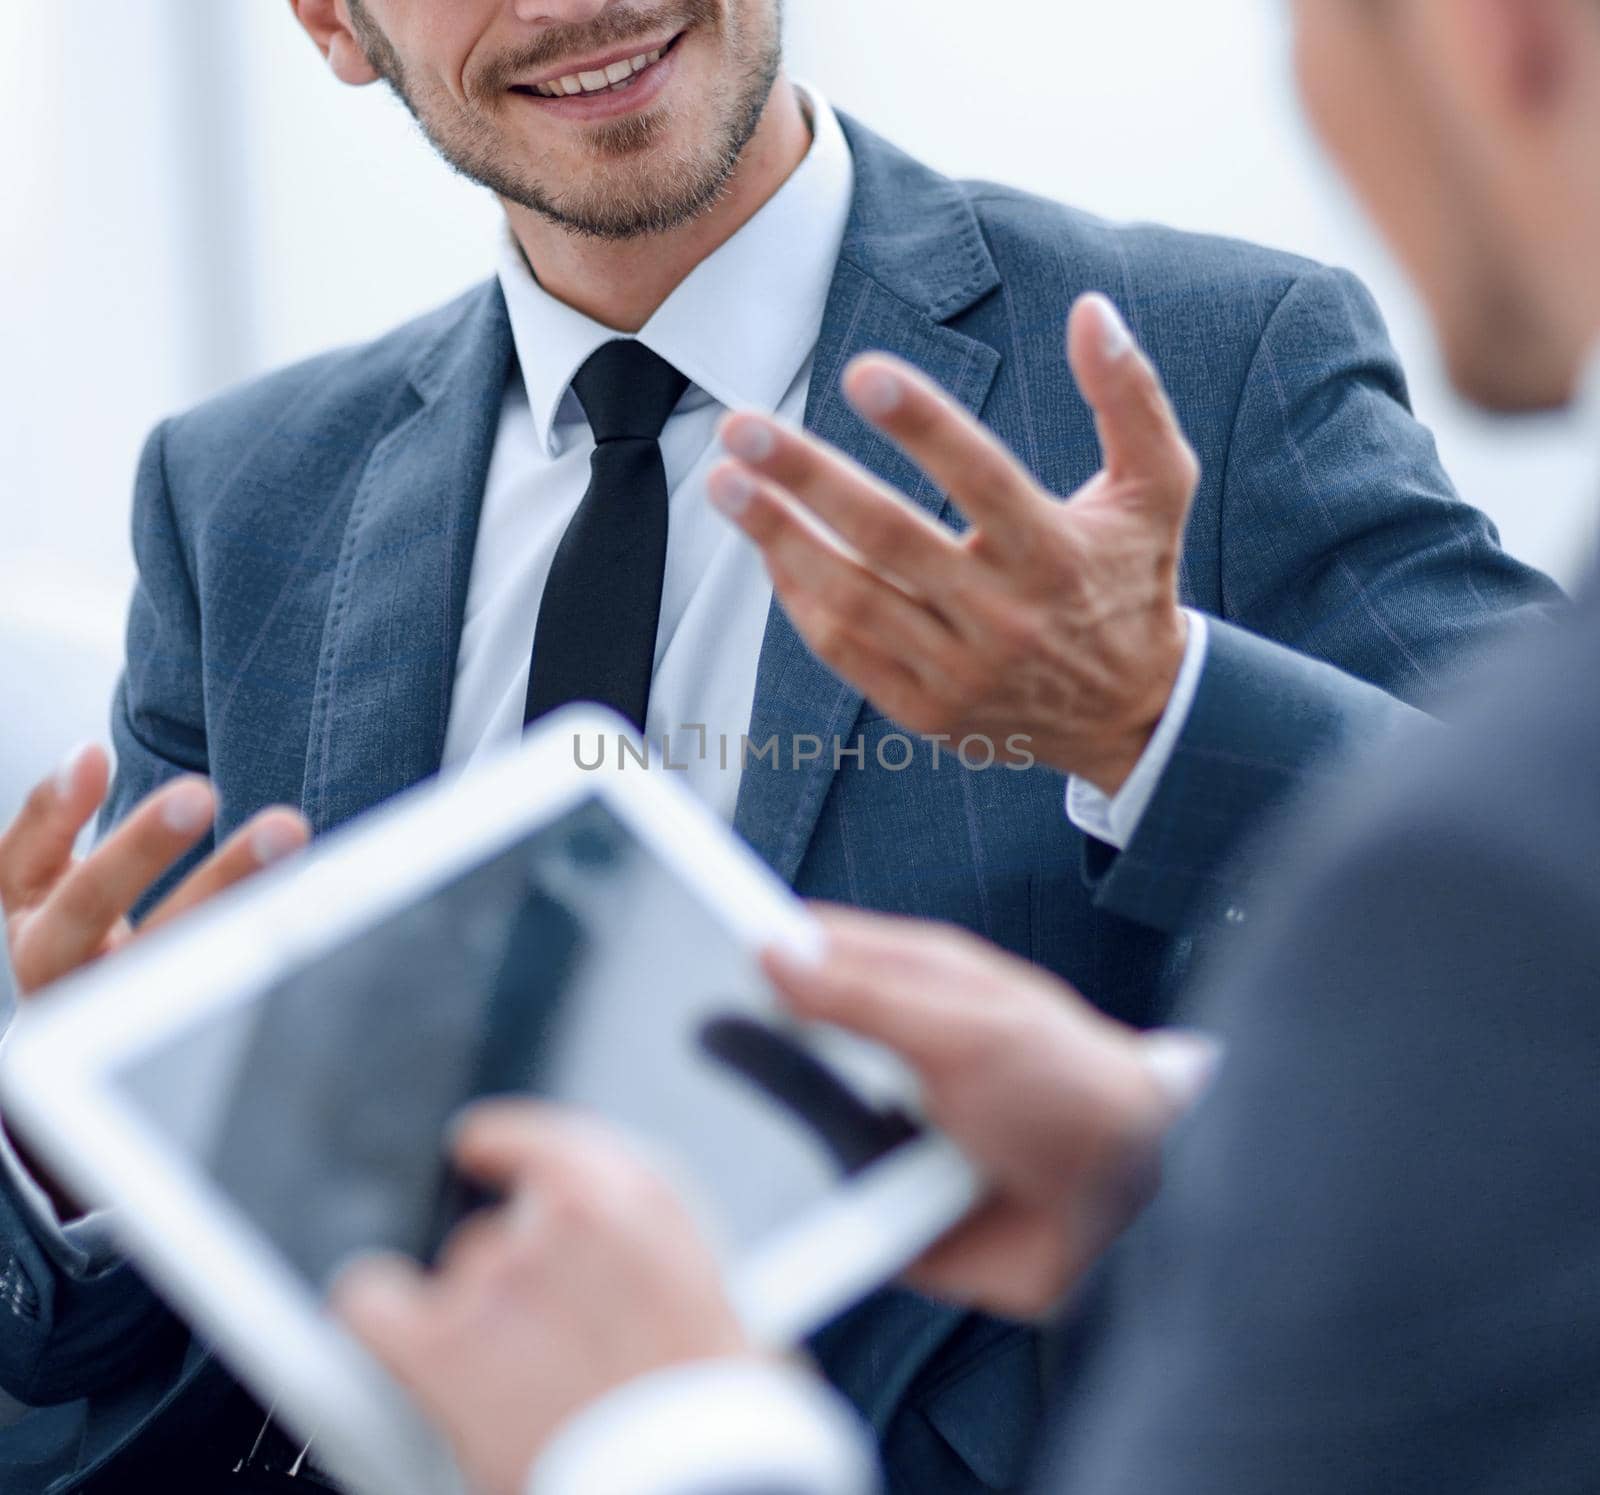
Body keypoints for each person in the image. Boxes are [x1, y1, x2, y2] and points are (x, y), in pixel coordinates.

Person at [0, 0, 1564, 1489]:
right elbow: (168, 1269)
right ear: (336, 24)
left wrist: (1160, 714)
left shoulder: (1216, 355)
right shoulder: (239, 497)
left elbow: (1558, 907)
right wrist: (94, 1130)